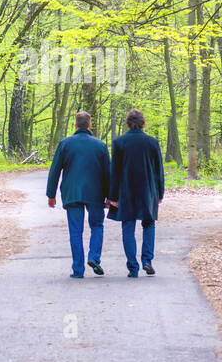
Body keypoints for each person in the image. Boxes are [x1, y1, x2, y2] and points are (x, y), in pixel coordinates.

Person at [46, 111, 111, 278]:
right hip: (96, 194)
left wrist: (51, 194)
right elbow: (107, 173)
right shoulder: (100, 145)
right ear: (89, 126)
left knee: (76, 231)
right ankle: (94, 257)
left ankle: (78, 269)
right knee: (97, 226)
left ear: (75, 126)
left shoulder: (65, 144)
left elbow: (55, 170)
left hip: (72, 192)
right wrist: (110, 196)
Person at [108, 108, 164, 277]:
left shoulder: (119, 143)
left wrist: (112, 196)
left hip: (126, 190)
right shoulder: (152, 142)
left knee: (128, 226)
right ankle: (147, 260)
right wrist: (160, 192)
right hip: (148, 190)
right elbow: (158, 170)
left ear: (127, 122)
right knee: (148, 223)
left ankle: (133, 266)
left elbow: (115, 171)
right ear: (142, 123)